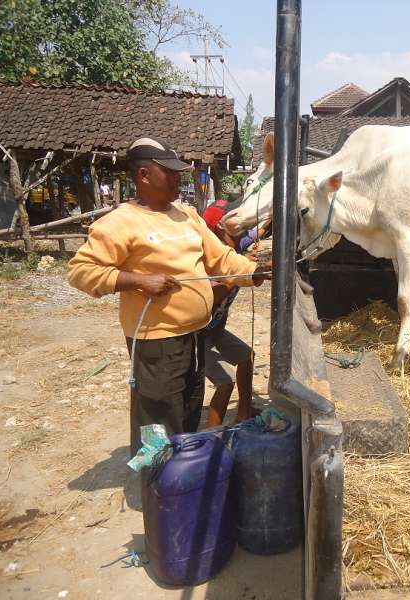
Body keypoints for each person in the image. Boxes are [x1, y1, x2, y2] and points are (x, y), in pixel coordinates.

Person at [67, 137, 270, 456]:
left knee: (189, 408)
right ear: (144, 175)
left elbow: (221, 259)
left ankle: (182, 478)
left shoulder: (187, 215)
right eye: (170, 173)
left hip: (196, 335)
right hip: (156, 342)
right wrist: (138, 280)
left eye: (179, 173)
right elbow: (81, 272)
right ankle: (158, 489)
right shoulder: (119, 223)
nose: (179, 179)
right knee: (159, 418)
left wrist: (252, 272)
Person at [200, 200, 268, 427]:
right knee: (225, 382)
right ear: (220, 226)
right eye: (233, 216)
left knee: (246, 357)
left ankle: (244, 412)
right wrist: (241, 272)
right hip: (196, 334)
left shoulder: (239, 245)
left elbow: (262, 228)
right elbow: (209, 300)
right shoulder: (210, 258)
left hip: (215, 329)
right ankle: (212, 439)